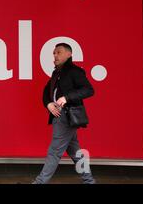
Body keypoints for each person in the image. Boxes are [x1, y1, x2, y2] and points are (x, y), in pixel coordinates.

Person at [33, 43, 96, 184]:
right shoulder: (57, 73)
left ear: (69, 54)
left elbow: (89, 90)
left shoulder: (75, 71)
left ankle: (39, 182)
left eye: (58, 52)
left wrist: (66, 97)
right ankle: (89, 181)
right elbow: (46, 91)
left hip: (67, 117)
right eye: (54, 53)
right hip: (59, 117)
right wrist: (48, 103)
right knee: (76, 153)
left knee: (54, 152)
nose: (55, 55)